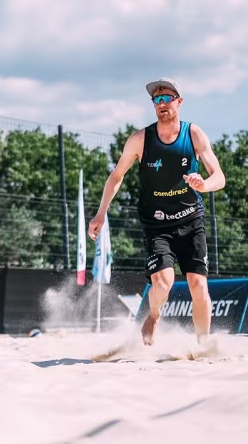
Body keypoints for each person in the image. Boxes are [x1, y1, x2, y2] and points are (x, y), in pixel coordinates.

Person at [88, 78, 225, 346]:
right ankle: (153, 315)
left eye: (167, 98)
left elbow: (219, 176)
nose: (162, 104)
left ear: (179, 102)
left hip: (190, 220)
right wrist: (100, 213)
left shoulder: (194, 134)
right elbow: (116, 177)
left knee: (199, 285)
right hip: (157, 224)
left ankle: (204, 346)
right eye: (157, 100)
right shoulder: (140, 139)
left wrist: (204, 185)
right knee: (163, 283)